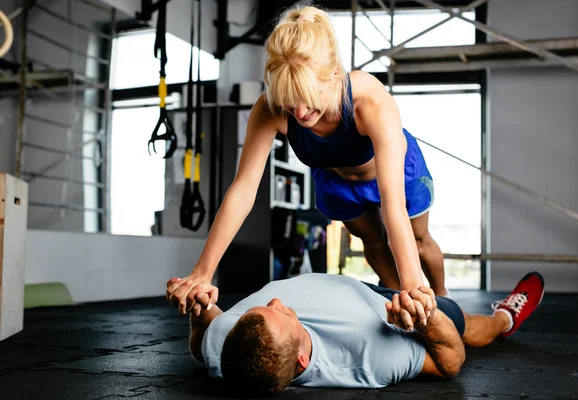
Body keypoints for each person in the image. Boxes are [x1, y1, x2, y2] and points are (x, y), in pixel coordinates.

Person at [166, 4, 448, 316]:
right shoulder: (270, 108)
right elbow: (243, 191)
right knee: (373, 240)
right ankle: (406, 303)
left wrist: (414, 285)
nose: (300, 113)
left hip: (394, 171)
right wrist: (202, 272)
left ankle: (443, 296)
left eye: (309, 99)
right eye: (290, 101)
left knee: (418, 241)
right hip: (334, 179)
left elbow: (392, 204)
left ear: (335, 74)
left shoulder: (369, 102)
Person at [185, 271, 545, 395]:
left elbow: (207, 328)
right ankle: (505, 317)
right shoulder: (370, 358)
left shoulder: (223, 345)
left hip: (346, 288)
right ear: (301, 359)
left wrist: (196, 305)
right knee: (468, 326)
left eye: (263, 308)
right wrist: (426, 318)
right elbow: (450, 363)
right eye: (281, 313)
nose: (278, 300)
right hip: (383, 309)